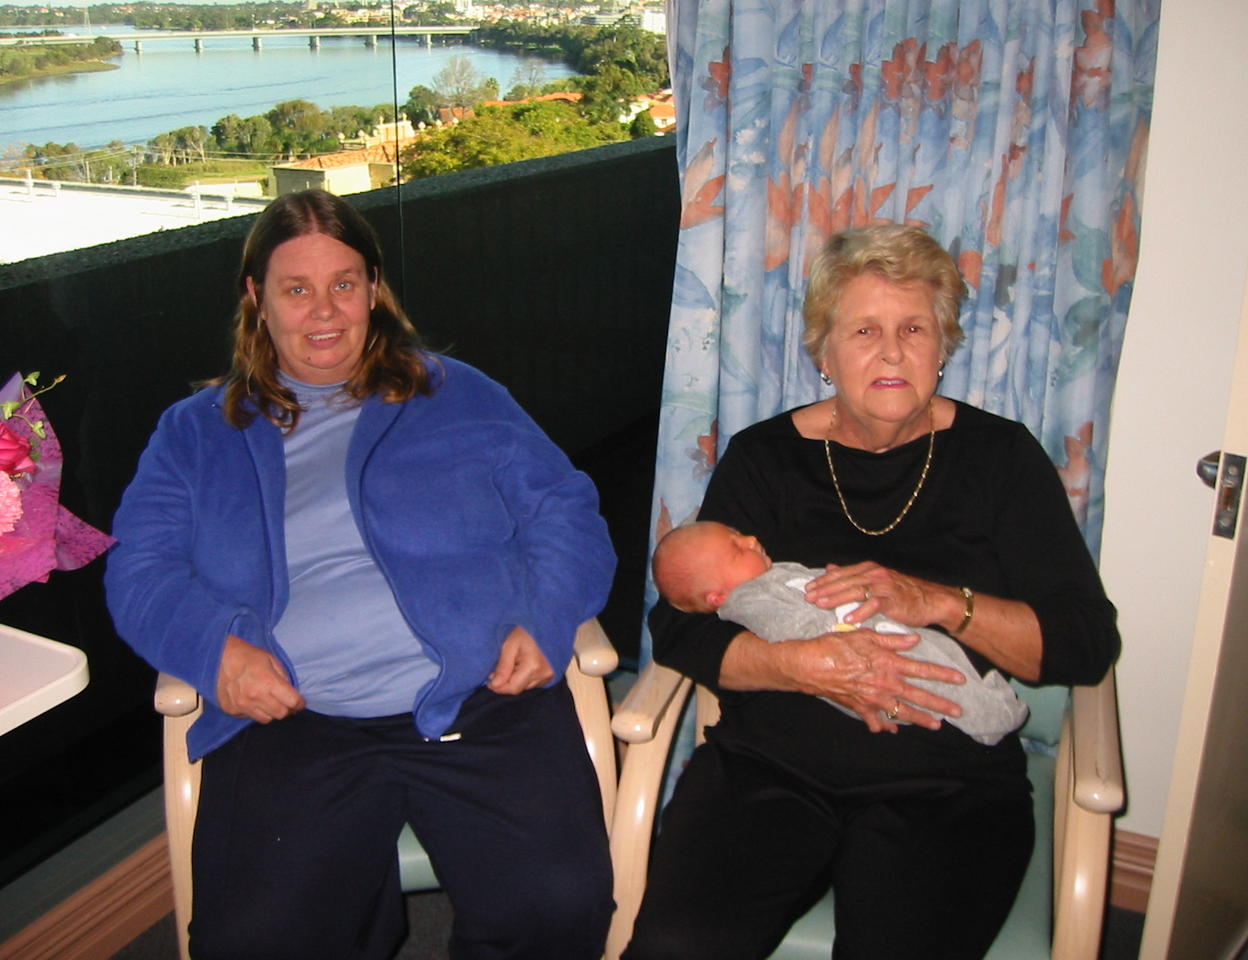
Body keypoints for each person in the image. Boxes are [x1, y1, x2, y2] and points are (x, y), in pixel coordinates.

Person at [105, 189, 617, 960]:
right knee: (250, 943)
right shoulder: (197, 433)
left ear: (373, 289)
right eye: (296, 288)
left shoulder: (458, 393)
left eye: (343, 284)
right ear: (257, 298)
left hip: (478, 698)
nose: (323, 311)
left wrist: (546, 620)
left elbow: (566, 515)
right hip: (294, 719)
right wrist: (216, 652)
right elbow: (139, 570)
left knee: (555, 907)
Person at [624, 225, 1119, 960]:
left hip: (947, 785)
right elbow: (681, 625)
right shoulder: (765, 459)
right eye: (864, 330)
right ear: (824, 354)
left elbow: (1083, 642)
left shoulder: (1001, 459)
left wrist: (940, 602)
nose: (892, 351)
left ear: (942, 346)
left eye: (913, 328)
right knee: (676, 946)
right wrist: (801, 666)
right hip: (771, 768)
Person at [651, 520, 1028, 745]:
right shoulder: (747, 599)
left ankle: (991, 697)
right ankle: (994, 719)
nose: (750, 539)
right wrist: (835, 636)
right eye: (736, 549)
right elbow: (791, 631)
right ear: (717, 596)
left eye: (739, 534)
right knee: (938, 685)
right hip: (855, 657)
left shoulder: (772, 573)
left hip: (876, 630)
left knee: (943, 658)